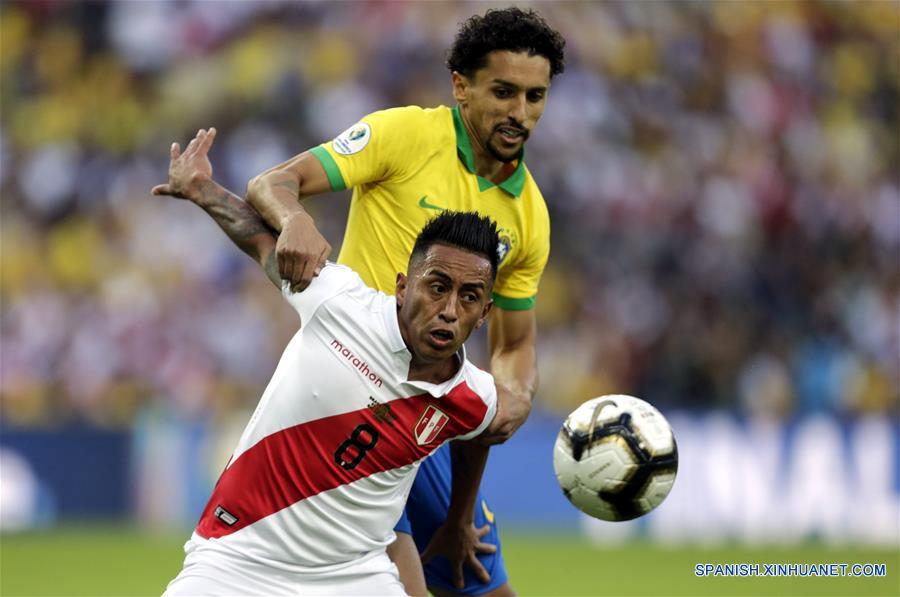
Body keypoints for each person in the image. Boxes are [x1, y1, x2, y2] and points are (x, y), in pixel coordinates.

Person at [244, 7, 565, 595]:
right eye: (504, 92)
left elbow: (514, 345)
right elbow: (271, 182)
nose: (520, 113)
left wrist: (514, 394)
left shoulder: (531, 216)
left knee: (483, 584)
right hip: (353, 403)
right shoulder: (405, 136)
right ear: (460, 85)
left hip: (430, 420)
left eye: (535, 96)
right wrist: (295, 221)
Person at [153, 128, 500, 596]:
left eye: (469, 297)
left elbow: (482, 435)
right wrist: (201, 189)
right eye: (436, 287)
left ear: (484, 314)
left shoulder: (473, 397)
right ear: (403, 287)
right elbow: (259, 240)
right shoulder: (340, 302)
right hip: (237, 557)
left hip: (355, 577)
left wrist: (459, 519)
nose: (449, 309)